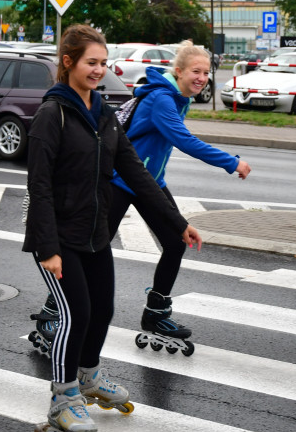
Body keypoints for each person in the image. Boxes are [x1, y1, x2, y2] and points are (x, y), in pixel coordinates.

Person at [24, 24, 202, 432]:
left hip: (94, 233)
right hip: (57, 238)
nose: (99, 70)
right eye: (91, 62)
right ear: (68, 62)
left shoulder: (102, 113)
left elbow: (137, 174)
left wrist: (179, 224)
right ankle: (63, 397)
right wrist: (48, 246)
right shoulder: (53, 115)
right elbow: (40, 186)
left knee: (102, 309)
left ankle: (88, 377)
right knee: (77, 314)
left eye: (103, 63)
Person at [107, 41, 250, 350]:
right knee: (91, 247)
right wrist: (231, 162)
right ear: (179, 71)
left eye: (206, 73)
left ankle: (156, 313)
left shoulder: (177, 97)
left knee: (176, 241)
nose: (202, 78)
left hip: (150, 182)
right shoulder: (162, 98)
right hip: (120, 180)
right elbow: (183, 140)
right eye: (195, 72)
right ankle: (55, 311)